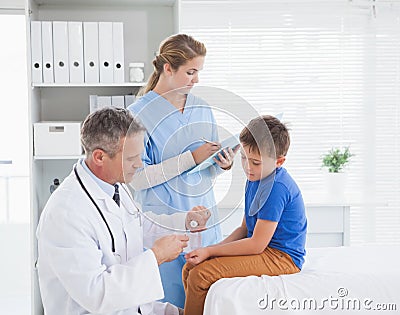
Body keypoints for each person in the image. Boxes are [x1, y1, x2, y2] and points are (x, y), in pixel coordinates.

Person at [36, 107, 211, 315]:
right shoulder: (66, 213)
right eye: (130, 158)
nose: (139, 164)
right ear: (99, 157)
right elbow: (97, 294)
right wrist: (156, 257)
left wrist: (185, 221)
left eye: (140, 156)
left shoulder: (114, 185)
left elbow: (137, 226)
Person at [127, 34, 236, 308]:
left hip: (204, 221)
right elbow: (137, 179)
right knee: (168, 303)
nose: (196, 79)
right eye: (190, 71)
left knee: (206, 302)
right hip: (162, 225)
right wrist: (191, 157)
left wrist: (222, 164)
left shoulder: (202, 108)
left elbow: (204, 169)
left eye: (198, 71)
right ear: (168, 68)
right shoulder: (135, 115)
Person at [182, 115, 308, 315]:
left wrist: (211, 253)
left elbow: (257, 244)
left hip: (282, 257)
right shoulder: (255, 178)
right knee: (189, 268)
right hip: (264, 249)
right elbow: (244, 229)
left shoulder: (276, 187)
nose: (248, 167)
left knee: (201, 275)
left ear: (279, 161)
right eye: (244, 158)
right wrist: (209, 249)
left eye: (255, 162)